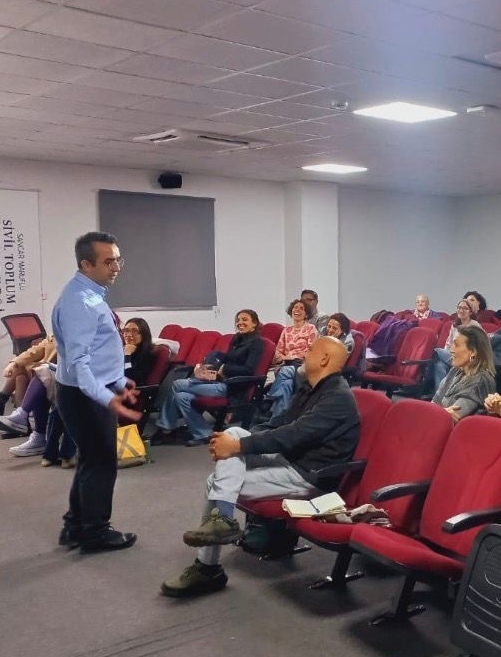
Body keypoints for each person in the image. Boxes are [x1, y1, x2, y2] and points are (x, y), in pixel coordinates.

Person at [160, 337, 360, 598]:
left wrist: (240, 447)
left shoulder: (337, 398)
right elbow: (278, 424)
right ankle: (223, 520)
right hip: (289, 459)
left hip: (308, 476)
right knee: (233, 433)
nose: (304, 353)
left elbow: (292, 435)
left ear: (324, 359)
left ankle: (209, 566)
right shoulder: (311, 387)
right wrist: (239, 442)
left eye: (310, 350)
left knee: (216, 481)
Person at [51, 231, 140, 553]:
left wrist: (117, 380)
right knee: (101, 462)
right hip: (85, 395)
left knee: (92, 460)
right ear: (86, 264)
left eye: (117, 260)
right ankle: (95, 531)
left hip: (89, 390)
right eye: (108, 261)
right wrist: (108, 398)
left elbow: (98, 350)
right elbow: (79, 364)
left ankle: (75, 525)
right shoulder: (80, 303)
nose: (116, 267)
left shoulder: (87, 293)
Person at [155, 309, 266, 446]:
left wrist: (224, 369)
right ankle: (203, 433)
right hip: (219, 381)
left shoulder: (257, 343)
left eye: (245, 320)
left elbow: (249, 370)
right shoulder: (237, 339)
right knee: (181, 396)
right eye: (238, 320)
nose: (240, 323)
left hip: (232, 387)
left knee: (178, 384)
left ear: (254, 323)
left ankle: (165, 428)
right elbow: (227, 358)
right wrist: (208, 367)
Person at [263, 300, 320, 418]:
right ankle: (279, 418)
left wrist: (290, 356)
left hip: (302, 365)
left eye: (301, 308)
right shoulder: (286, 330)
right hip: (286, 364)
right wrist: (281, 357)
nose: (297, 310)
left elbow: (311, 351)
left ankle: (270, 398)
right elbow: (279, 351)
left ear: (306, 314)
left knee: (285, 372)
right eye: (295, 307)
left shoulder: (311, 328)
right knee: (286, 384)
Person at [433, 325, 496, 422]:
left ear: (473, 352)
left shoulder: (481, 381)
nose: (451, 350)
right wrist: (439, 412)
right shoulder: (456, 371)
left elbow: (453, 417)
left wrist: (435, 413)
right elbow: (435, 401)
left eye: (456, 345)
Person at [430, 298, 482, 393]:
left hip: (466, 359)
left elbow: (479, 347)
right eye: (459, 308)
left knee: (436, 351)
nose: (461, 310)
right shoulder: (455, 325)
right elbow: (449, 343)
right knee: (439, 366)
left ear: (470, 312)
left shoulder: (475, 326)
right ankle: (441, 395)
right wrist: (445, 356)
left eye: (465, 308)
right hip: (452, 355)